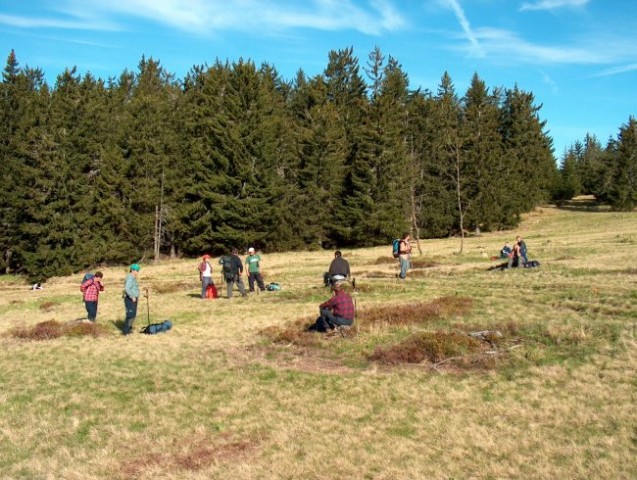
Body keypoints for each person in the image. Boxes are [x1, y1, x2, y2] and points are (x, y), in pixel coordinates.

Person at [122, 264, 141, 335]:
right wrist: (132, 296)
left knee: (133, 314)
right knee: (130, 314)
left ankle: (129, 329)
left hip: (134, 298)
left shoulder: (133, 277)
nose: (137, 272)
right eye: (136, 270)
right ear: (132, 270)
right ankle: (126, 331)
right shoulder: (130, 277)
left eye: (138, 271)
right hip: (130, 299)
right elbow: (127, 288)